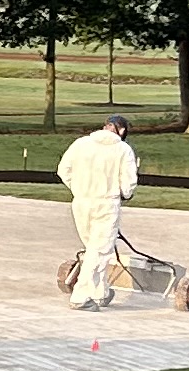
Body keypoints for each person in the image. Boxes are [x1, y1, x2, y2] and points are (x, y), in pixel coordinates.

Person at [58, 110, 139, 309]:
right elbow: (129, 184)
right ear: (120, 131)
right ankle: (80, 297)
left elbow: (63, 170)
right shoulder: (123, 149)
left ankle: (99, 291)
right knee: (99, 250)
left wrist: (78, 188)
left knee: (93, 248)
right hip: (106, 204)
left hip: (81, 202)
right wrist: (124, 194)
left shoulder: (81, 143)